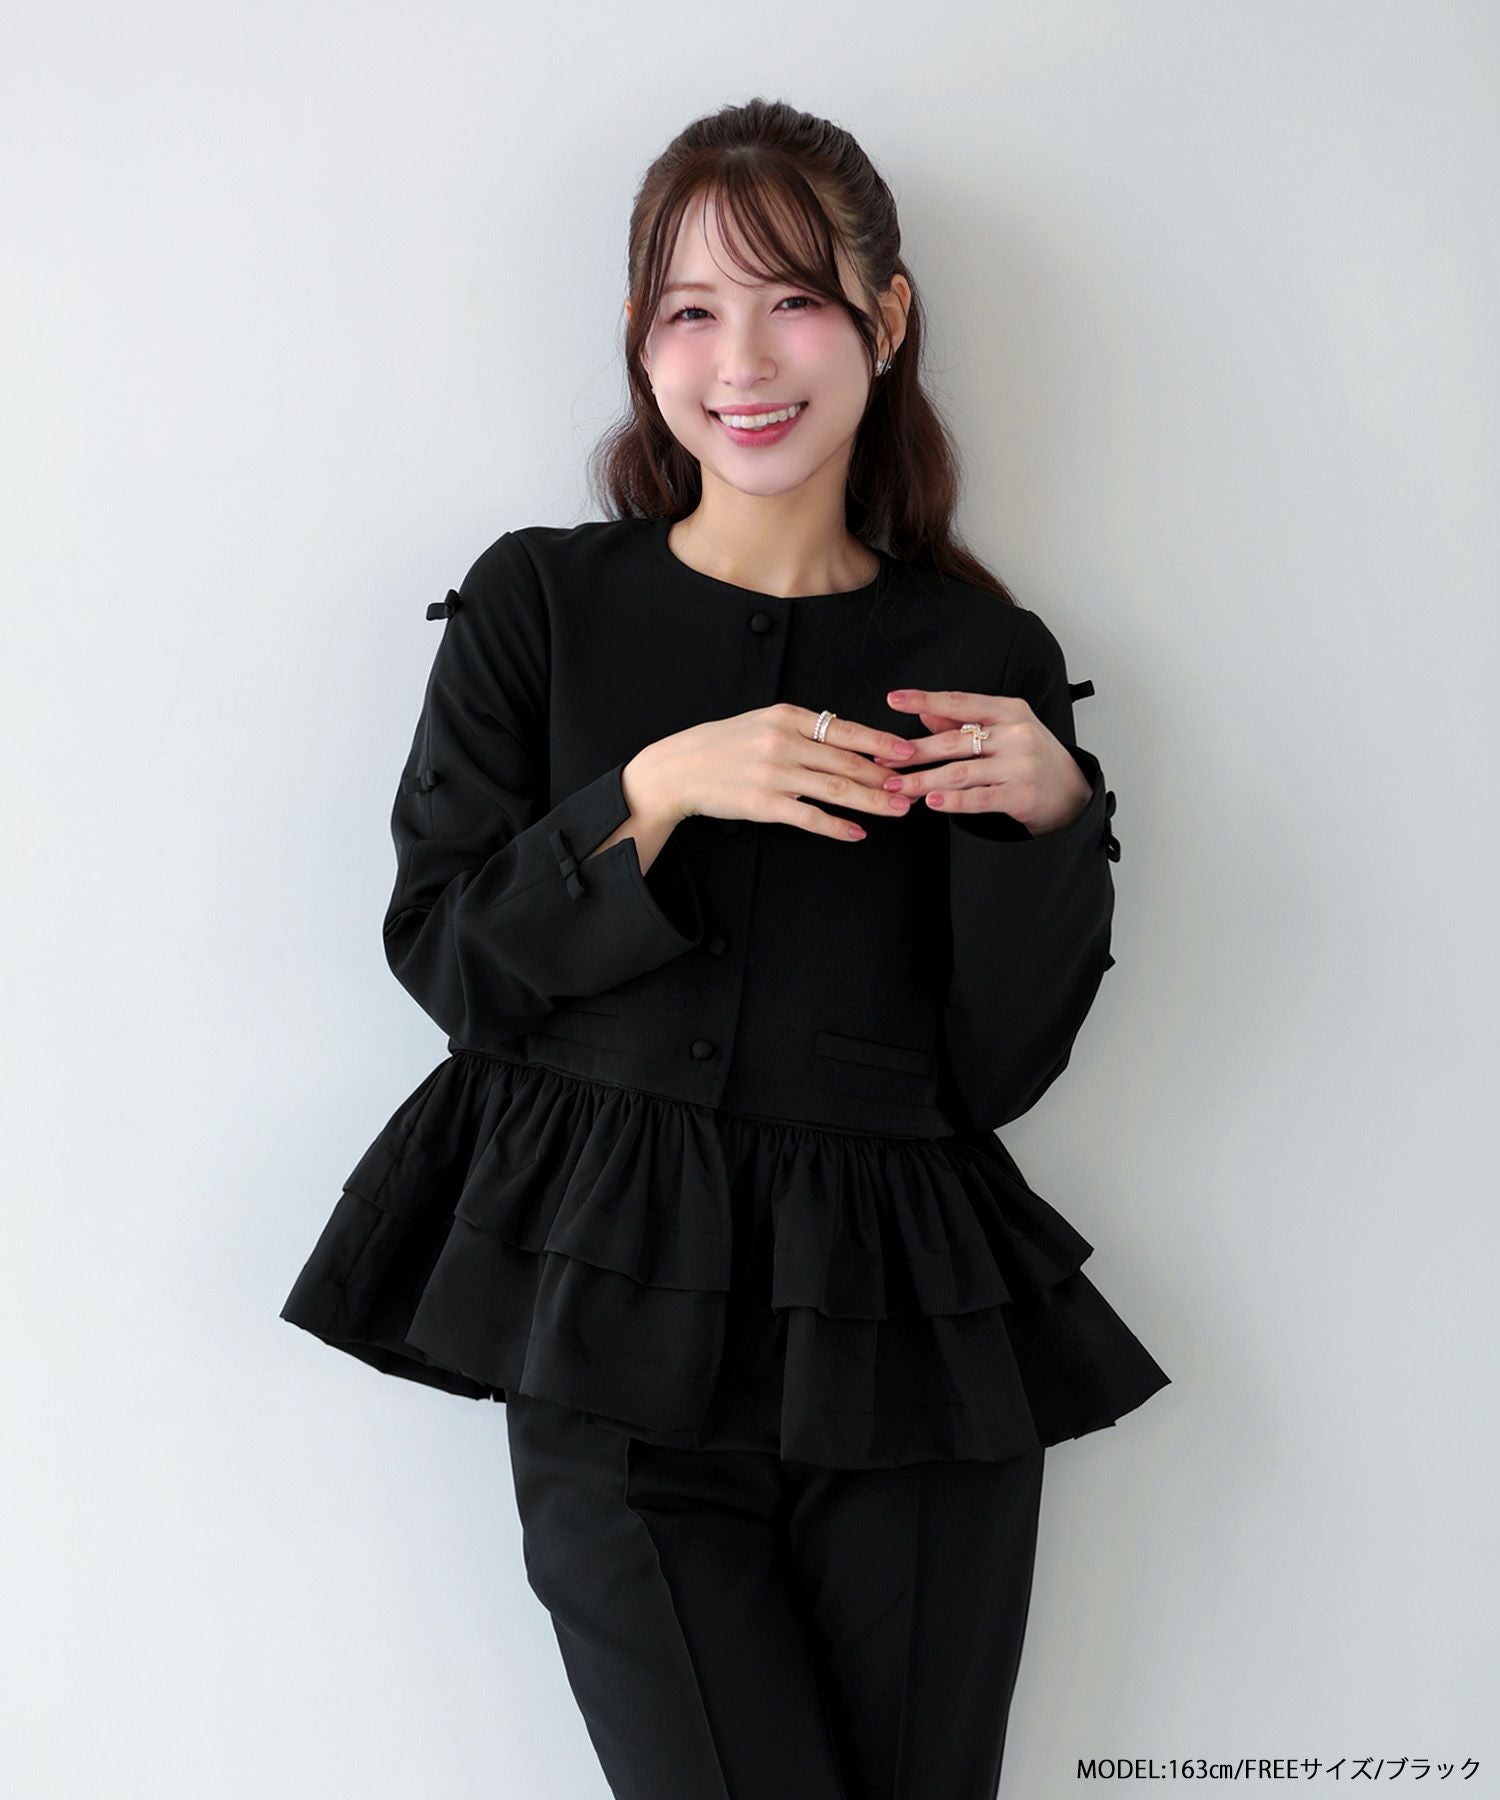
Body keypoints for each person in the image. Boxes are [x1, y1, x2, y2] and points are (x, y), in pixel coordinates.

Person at [280, 95, 1171, 1799]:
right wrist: (662, 789)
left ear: (885, 319)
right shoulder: (541, 603)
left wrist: (1054, 822)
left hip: (907, 1347)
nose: (741, 359)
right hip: (608, 1323)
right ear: (643, 339)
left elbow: (996, 1069)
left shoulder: (984, 654)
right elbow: (453, 958)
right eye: (690, 309)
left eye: (793, 300)